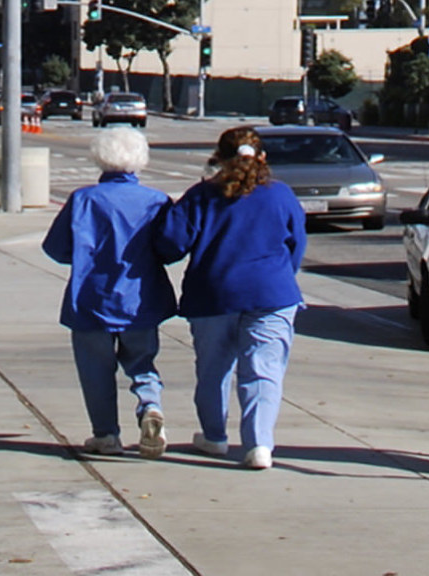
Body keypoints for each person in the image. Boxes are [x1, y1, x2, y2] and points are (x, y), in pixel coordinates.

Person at [160, 123, 307, 469]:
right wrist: (282, 275)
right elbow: (296, 245)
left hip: (213, 294)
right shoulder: (281, 195)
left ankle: (214, 436)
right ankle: (259, 445)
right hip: (272, 294)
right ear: (263, 157)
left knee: (213, 370)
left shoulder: (200, 196)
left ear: (218, 158)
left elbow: (171, 244)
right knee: (263, 370)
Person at [42, 123, 172, 457]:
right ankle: (150, 405)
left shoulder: (83, 200)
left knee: (95, 371)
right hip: (140, 300)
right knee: (143, 362)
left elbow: (56, 248)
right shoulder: (156, 202)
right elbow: (171, 249)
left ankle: (106, 435)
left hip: (91, 299)